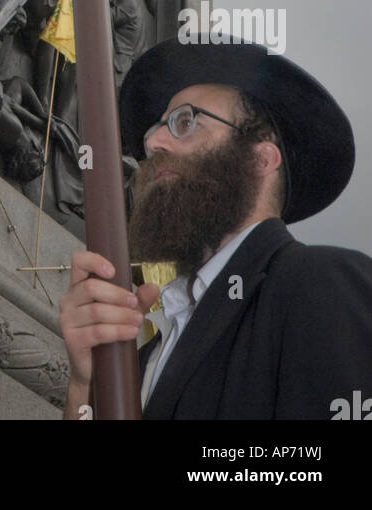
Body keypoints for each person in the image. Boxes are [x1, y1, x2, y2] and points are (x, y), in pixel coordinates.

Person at [59, 36, 372, 420]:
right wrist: (85, 385)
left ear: (260, 159)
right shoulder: (143, 358)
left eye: (186, 122)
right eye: (154, 131)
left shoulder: (320, 284)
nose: (153, 142)